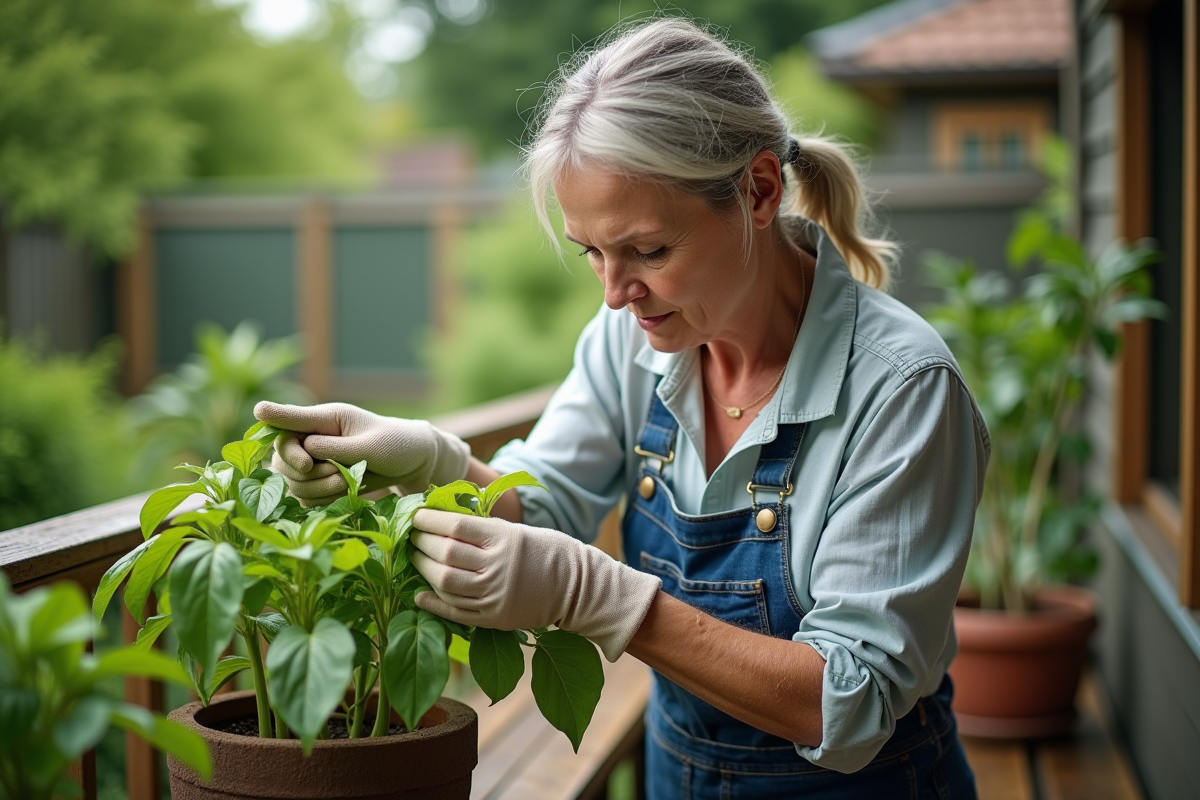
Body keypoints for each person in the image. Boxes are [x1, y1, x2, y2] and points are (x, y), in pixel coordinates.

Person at [255, 17, 989, 799]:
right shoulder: (631, 341)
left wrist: (605, 599)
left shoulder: (901, 390)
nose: (614, 293)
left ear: (761, 191)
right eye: (593, 253)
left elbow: (850, 700)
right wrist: (433, 464)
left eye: (649, 251)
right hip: (676, 771)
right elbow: (543, 508)